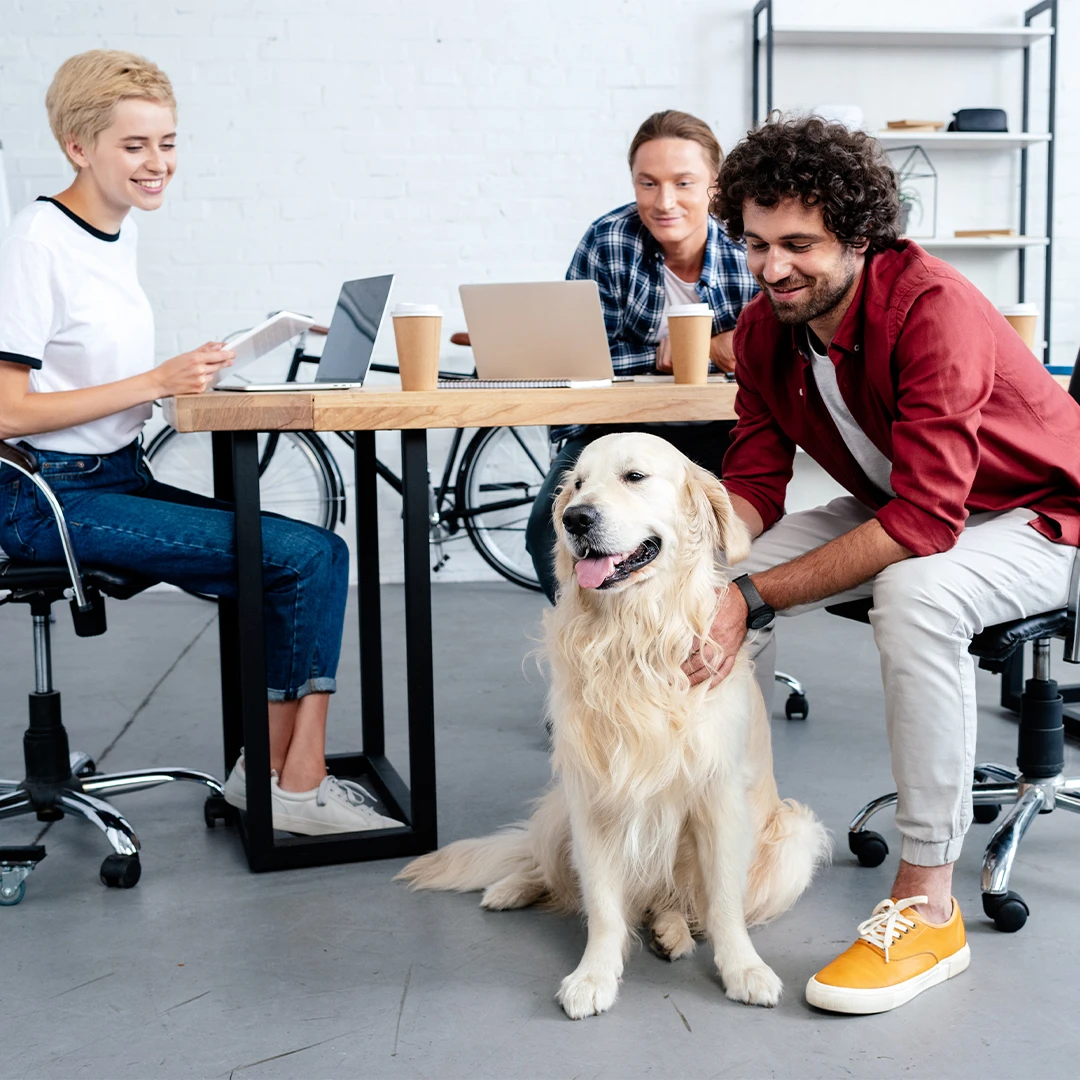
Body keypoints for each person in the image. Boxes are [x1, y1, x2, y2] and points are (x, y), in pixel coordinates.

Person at [683, 114, 1080, 1014]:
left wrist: (753, 594)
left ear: (860, 236)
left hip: (1045, 514)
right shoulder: (761, 327)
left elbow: (925, 523)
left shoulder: (931, 307)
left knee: (915, 593)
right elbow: (752, 481)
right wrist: (716, 575)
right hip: (908, 499)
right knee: (694, 586)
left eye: (799, 245)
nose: (773, 266)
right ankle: (722, 844)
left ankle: (926, 901)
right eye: (753, 243)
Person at [0, 50, 398, 836]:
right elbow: (9, 411)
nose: (159, 165)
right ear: (79, 148)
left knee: (296, 557)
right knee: (312, 559)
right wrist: (156, 380)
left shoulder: (115, 232)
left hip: (111, 474)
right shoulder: (38, 238)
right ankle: (297, 787)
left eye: (169, 143)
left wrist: (200, 371)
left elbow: (93, 376)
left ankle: (271, 776)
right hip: (45, 496)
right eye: (136, 146)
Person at [525, 109, 759, 602]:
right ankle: (602, 649)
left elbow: (781, 345)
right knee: (544, 536)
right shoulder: (607, 241)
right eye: (647, 184)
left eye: (684, 183)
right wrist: (662, 356)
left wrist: (717, 348)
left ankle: (702, 649)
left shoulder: (750, 246)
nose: (664, 201)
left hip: (727, 428)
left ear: (716, 187)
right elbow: (580, 359)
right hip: (613, 430)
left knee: (725, 532)